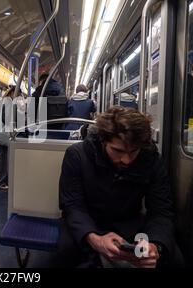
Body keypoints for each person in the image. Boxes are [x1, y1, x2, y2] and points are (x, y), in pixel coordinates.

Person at [59, 107, 183, 268]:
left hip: (130, 225)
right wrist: (95, 239)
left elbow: (161, 211)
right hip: (87, 223)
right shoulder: (77, 155)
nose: (126, 160)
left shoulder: (150, 159)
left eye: (133, 152)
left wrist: (155, 245)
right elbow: (72, 206)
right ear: (103, 141)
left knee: (173, 258)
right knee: (69, 254)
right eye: (117, 151)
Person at [0, 86, 15, 191]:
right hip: (4, 134)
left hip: (3, 134)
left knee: (4, 158)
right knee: (3, 159)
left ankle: (2, 181)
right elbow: (5, 118)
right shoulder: (8, 101)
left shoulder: (6, 100)